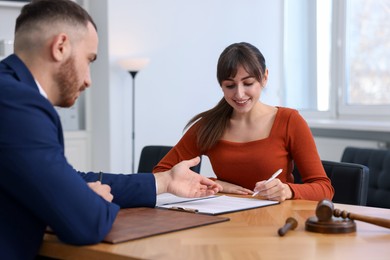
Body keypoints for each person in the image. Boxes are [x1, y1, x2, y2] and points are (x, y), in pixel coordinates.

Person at [0, 1, 221, 259]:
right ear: (60, 47)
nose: (88, 80)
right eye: (89, 59)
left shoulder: (11, 94)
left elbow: (71, 179)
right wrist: (91, 200)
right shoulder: (17, 103)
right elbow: (86, 223)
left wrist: (165, 181)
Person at [154, 42, 334, 202]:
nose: (239, 94)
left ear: (264, 78)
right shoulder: (208, 126)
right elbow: (160, 174)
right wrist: (218, 184)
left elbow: (324, 189)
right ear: (221, 86)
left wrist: (288, 190)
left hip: (277, 224)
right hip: (225, 224)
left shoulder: (289, 121)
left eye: (248, 83)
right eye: (230, 86)